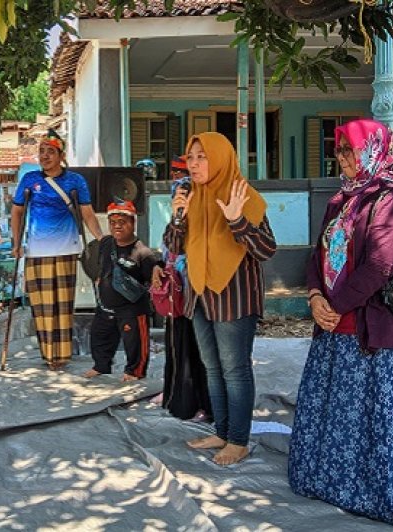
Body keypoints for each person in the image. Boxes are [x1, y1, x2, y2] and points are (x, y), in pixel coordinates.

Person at [288, 119, 393, 529]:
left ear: (371, 151)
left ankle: (380, 498)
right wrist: (315, 297)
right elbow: (316, 257)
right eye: (339, 149)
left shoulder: (392, 199)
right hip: (334, 329)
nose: (342, 157)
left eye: (350, 149)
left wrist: (335, 305)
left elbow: (379, 265)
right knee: (338, 417)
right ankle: (333, 485)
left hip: (374, 336)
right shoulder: (341, 201)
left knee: (377, 421)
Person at [162, 132, 276, 465]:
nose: (193, 164)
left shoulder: (244, 195)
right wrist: (178, 216)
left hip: (234, 297)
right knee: (212, 368)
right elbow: (174, 245)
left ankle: (238, 441)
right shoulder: (192, 196)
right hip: (199, 294)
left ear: (221, 158)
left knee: (235, 370)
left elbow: (267, 249)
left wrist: (237, 220)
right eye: (191, 157)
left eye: (202, 157)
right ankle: (223, 432)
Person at [10, 129, 103, 371]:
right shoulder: (29, 179)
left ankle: (61, 356)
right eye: (41, 151)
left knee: (62, 304)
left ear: (61, 156)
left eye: (50, 152)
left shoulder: (75, 181)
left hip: (65, 248)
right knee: (41, 306)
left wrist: (102, 239)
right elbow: (17, 211)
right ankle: (48, 354)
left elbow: (87, 213)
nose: (44, 156)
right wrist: (16, 243)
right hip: (36, 250)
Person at [153, 156, 212, 421]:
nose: (178, 179)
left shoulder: (204, 211)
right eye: (175, 173)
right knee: (178, 345)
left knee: (200, 350)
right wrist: (161, 266)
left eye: (183, 173)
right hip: (177, 290)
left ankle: (202, 402)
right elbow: (169, 247)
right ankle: (177, 396)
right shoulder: (176, 215)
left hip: (199, 289)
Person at [83, 202, 161, 381]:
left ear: (133, 223)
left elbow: (155, 275)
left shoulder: (143, 253)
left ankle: (134, 372)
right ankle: (101, 366)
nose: (117, 226)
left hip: (132, 309)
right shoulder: (105, 243)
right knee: (99, 337)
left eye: (122, 222)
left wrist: (159, 266)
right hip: (105, 306)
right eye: (113, 222)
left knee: (135, 343)